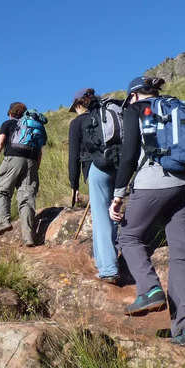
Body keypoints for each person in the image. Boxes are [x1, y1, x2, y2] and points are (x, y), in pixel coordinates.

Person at [109, 76, 185, 348]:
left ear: (134, 96)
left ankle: (150, 289)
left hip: (154, 183)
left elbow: (128, 156)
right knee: (183, 255)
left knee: (128, 236)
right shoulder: (177, 106)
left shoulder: (135, 110)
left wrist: (118, 196)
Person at [68, 88, 120, 284]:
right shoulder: (107, 116)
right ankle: (104, 262)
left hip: (97, 169)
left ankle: (108, 269)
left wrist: (74, 183)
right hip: (119, 166)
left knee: (100, 218)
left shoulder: (78, 122)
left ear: (79, 105)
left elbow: (74, 156)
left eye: (75, 108)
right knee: (113, 214)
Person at [0, 102, 45, 246]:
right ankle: (28, 237)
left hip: (13, 158)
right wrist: (34, 168)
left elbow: (0, 143)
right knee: (27, 198)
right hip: (31, 161)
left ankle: (3, 221)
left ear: (10, 113)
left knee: (0, 191)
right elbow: (40, 151)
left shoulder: (8, 124)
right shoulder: (33, 126)